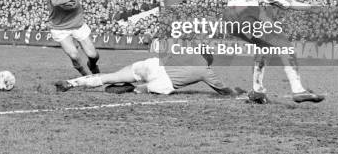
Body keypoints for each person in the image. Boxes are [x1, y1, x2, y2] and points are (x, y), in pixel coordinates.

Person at [54, 53, 242, 96]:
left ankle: (72, 83)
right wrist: (238, 92)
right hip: (164, 81)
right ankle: (134, 89)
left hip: (154, 66)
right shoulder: (207, 71)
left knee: (110, 76)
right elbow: (225, 92)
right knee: (162, 88)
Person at [48, 0, 100, 76]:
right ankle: (85, 75)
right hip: (59, 26)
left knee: (93, 55)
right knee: (74, 55)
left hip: (77, 23)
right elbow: (55, 0)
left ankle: (92, 64)